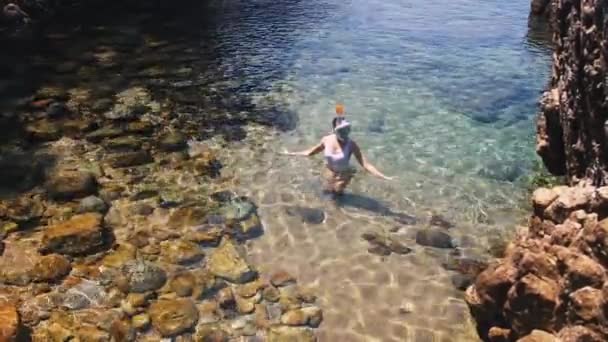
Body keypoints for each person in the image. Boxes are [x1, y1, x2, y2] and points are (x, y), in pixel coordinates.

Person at [283, 104, 394, 194]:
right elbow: (310, 152)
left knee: (338, 192)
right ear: (335, 131)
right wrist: (290, 153)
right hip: (330, 169)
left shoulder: (351, 145)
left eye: (347, 130)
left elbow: (366, 164)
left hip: (344, 172)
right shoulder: (326, 140)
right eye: (342, 131)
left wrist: (383, 177)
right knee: (327, 190)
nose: (345, 134)